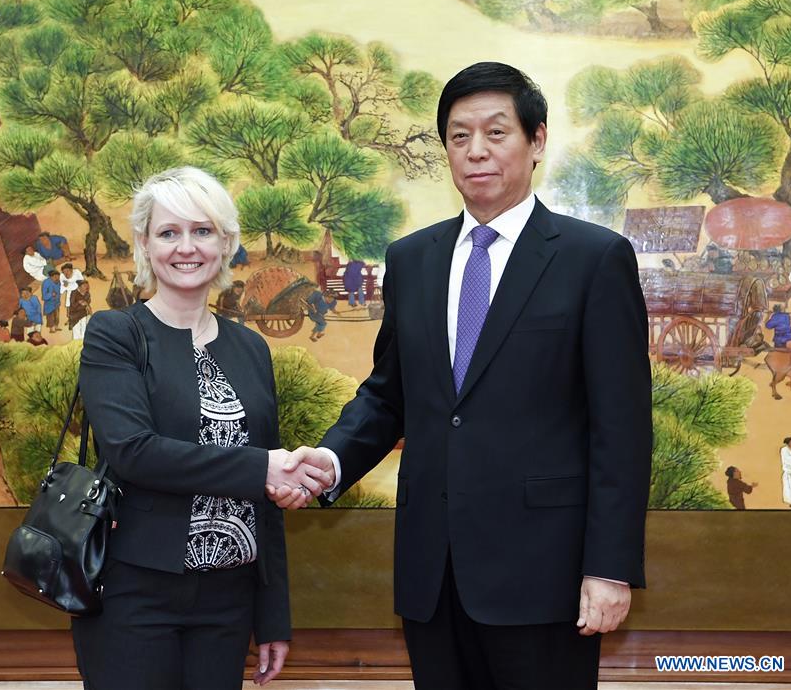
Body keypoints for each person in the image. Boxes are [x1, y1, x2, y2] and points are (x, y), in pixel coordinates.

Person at [270, 62, 652, 689]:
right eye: (458, 136)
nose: (476, 151)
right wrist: (331, 461)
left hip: (545, 576)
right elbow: (389, 395)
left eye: (496, 133)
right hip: (433, 574)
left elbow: (622, 429)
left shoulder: (594, 258)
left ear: (537, 141)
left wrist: (609, 567)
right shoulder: (412, 259)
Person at [71, 166, 332, 690]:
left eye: (203, 231)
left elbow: (266, 501)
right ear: (145, 244)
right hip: (134, 593)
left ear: (226, 243)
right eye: (169, 232)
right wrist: (263, 467)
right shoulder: (115, 334)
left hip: (229, 600)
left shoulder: (250, 348)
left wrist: (272, 617)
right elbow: (134, 452)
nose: (186, 247)